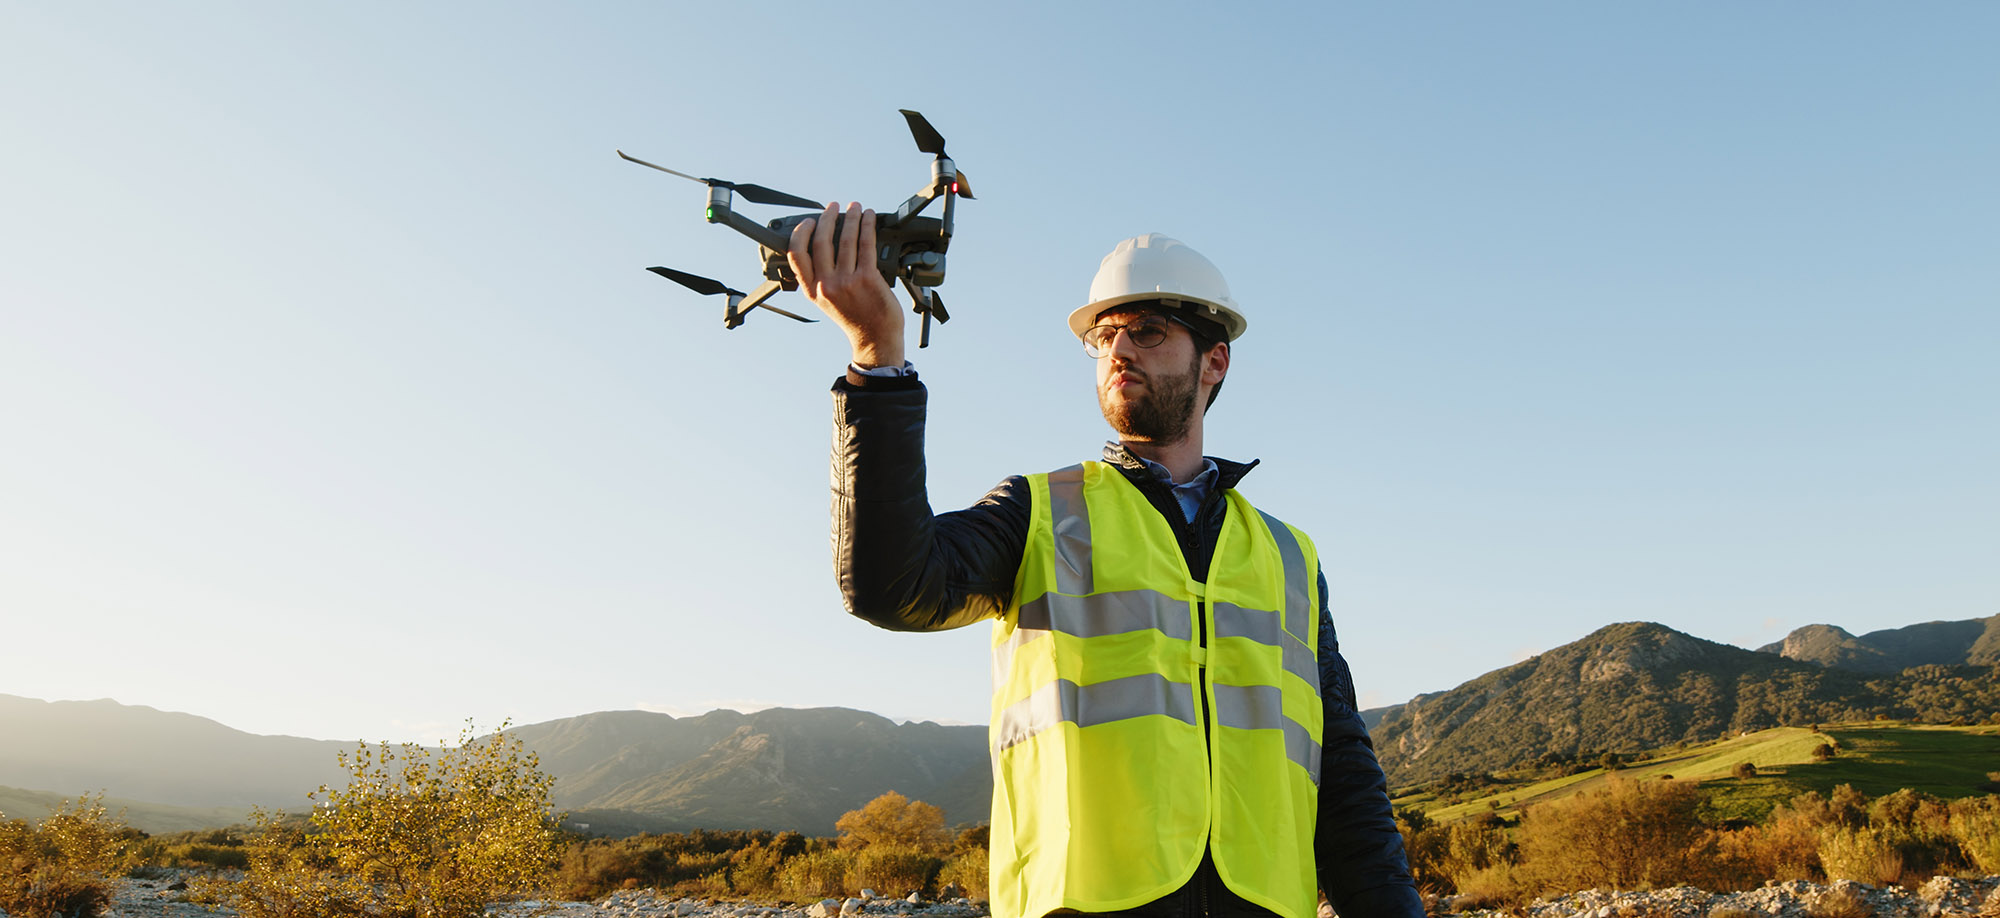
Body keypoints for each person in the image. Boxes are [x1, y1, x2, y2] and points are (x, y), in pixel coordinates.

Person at [790, 203, 1421, 918]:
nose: (1119, 350)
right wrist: (880, 358)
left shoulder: (1289, 557)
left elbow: (1343, 775)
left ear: (1214, 360)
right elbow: (890, 586)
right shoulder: (1039, 513)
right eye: (1104, 337)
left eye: (1148, 332)